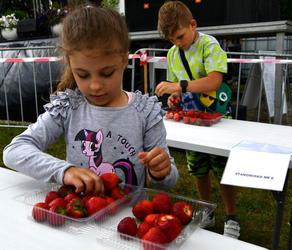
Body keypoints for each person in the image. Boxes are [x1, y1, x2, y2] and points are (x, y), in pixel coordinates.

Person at [3, 5, 178, 195]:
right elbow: (14, 151)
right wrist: (64, 171)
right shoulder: (69, 107)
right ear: (70, 65)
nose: (95, 86)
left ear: (124, 59)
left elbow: (168, 182)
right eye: (83, 75)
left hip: (126, 220)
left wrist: (161, 171)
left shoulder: (145, 112)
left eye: (107, 73)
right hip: (80, 217)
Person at [155, 1, 240, 239]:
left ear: (193, 25)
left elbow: (213, 81)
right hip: (193, 120)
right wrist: (174, 99)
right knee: (198, 168)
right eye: (172, 40)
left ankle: (231, 215)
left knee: (223, 169)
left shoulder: (208, 45)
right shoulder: (173, 54)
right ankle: (207, 210)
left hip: (217, 118)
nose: (177, 43)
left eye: (180, 36)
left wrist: (179, 86)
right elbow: (177, 91)